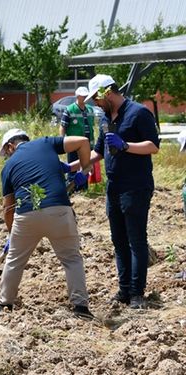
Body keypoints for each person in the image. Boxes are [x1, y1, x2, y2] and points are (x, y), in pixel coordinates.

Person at [0, 128, 94, 319]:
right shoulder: (46, 143)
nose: (7, 157)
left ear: (10, 146)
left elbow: (8, 208)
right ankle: (80, 307)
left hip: (26, 216)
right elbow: (83, 141)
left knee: (14, 260)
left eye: (7, 153)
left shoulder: (8, 167)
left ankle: (4, 304)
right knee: (72, 259)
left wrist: (11, 234)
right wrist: (85, 170)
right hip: (59, 211)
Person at [82, 74, 159, 309]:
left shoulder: (138, 113)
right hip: (113, 187)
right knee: (118, 240)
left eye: (96, 98)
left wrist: (126, 146)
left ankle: (137, 294)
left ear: (106, 92)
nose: (95, 103)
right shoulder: (106, 118)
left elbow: (153, 146)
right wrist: (76, 167)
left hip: (135, 186)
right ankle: (124, 290)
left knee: (136, 240)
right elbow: (99, 151)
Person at [59, 87, 96, 190]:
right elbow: (63, 126)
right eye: (82, 96)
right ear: (77, 96)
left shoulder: (90, 109)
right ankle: (72, 190)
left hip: (88, 145)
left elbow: (91, 126)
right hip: (74, 145)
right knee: (73, 168)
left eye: (85, 96)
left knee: (86, 167)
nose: (84, 98)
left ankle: (83, 188)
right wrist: (61, 142)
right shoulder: (70, 109)